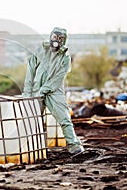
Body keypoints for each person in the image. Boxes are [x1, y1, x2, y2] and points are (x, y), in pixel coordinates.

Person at [22, 27, 84, 155]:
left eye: (60, 38)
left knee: (64, 118)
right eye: (55, 37)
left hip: (54, 91)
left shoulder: (65, 58)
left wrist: (44, 90)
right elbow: (30, 72)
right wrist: (27, 93)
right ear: (50, 36)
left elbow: (58, 78)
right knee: (31, 119)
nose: (56, 40)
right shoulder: (40, 51)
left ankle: (73, 144)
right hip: (35, 89)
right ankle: (30, 147)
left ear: (64, 41)